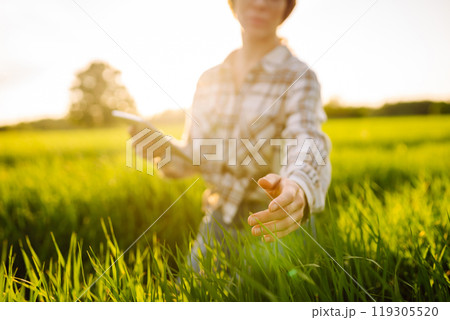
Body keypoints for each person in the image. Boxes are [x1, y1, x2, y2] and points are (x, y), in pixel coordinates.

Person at [129, 0, 331, 273]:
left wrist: (298, 185)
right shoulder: (209, 79)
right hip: (220, 216)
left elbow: (307, 139)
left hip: (276, 218)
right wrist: (161, 151)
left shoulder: (299, 77)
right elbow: (195, 157)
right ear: (233, 4)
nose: (260, 3)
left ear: (286, 7)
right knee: (190, 296)